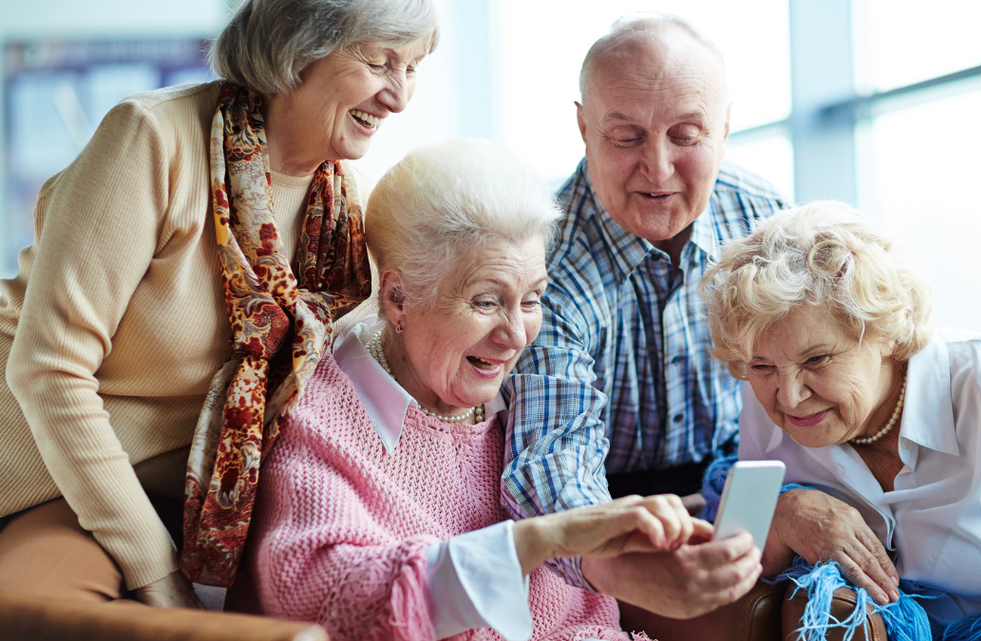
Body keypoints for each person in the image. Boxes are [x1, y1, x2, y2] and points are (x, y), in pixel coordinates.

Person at [0, 0, 438, 608]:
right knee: (56, 614)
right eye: (379, 63)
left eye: (413, 68)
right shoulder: (154, 139)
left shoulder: (349, 215)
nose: (399, 97)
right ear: (298, 45)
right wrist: (156, 571)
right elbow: (47, 369)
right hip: (40, 477)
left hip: (177, 502)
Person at [246, 138, 697, 641]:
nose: (517, 334)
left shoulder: (533, 401)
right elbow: (332, 604)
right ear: (398, 298)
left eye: (532, 299)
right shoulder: (320, 418)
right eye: (486, 301)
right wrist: (539, 540)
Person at [701, 201, 981, 640]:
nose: (790, 397)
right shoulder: (765, 403)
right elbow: (726, 564)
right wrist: (782, 513)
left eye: (817, 359)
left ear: (886, 333)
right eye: (760, 367)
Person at [502, 13, 786, 617]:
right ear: (583, 127)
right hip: (611, 508)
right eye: (627, 137)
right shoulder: (539, 260)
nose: (657, 169)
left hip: (747, 482)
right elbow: (551, 457)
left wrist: (801, 494)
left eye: (686, 134)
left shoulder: (768, 219)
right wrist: (617, 556)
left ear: (726, 127)